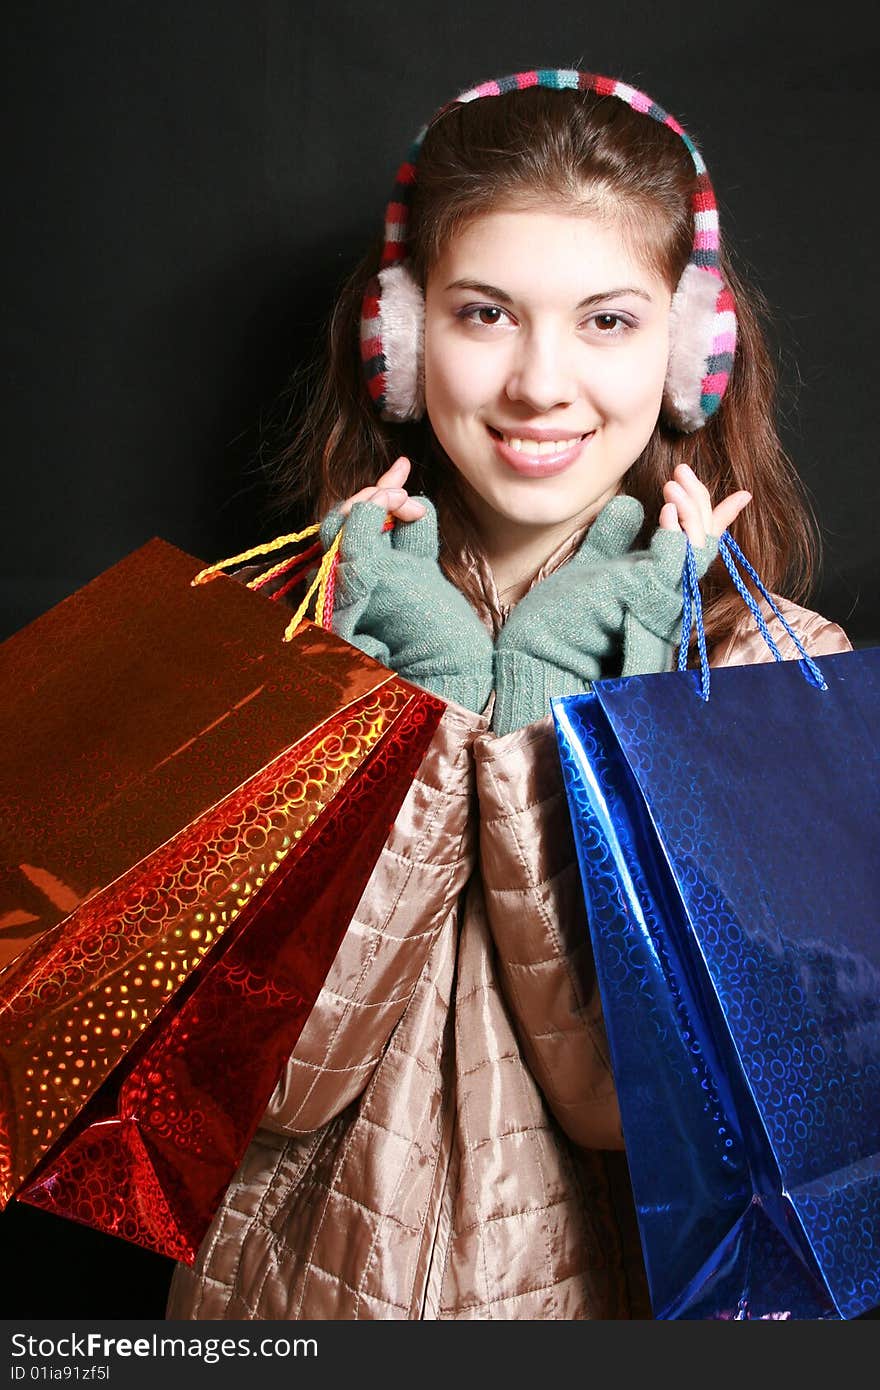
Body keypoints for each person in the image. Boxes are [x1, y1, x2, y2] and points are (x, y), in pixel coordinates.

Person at [166, 67, 852, 1321]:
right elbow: (269, 1093)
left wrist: (541, 708)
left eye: (605, 321)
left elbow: (617, 1100)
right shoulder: (276, 640)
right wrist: (411, 690)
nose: (540, 383)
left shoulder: (768, 671)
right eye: (486, 314)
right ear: (400, 336)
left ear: (693, 352)